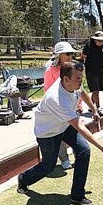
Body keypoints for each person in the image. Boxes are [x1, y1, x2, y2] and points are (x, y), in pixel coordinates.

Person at [17, 61, 103, 205]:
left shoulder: (74, 83)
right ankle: (24, 179)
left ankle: (77, 195)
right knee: (48, 166)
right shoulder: (56, 99)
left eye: (81, 78)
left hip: (64, 126)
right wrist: (101, 147)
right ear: (65, 79)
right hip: (48, 132)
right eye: (77, 78)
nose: (80, 81)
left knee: (84, 151)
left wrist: (93, 109)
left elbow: (82, 92)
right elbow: (79, 126)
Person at [44, 41, 80, 170]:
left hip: (72, 106)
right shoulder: (50, 70)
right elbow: (47, 91)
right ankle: (64, 159)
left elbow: (78, 88)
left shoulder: (74, 68)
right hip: (57, 110)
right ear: (59, 55)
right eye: (68, 54)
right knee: (59, 135)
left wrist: (79, 104)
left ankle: (79, 156)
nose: (70, 56)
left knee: (75, 133)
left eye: (72, 54)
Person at [81, 31, 103, 116]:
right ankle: (98, 108)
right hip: (90, 71)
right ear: (95, 39)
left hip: (99, 71)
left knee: (96, 90)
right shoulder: (88, 47)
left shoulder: (102, 47)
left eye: (102, 41)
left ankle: (90, 107)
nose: (100, 42)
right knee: (95, 90)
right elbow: (82, 57)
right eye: (98, 40)